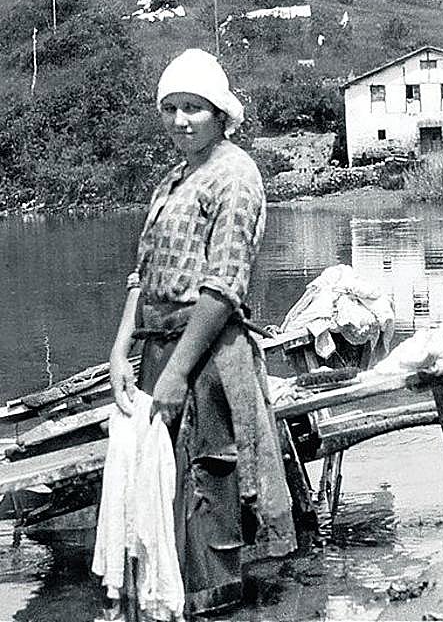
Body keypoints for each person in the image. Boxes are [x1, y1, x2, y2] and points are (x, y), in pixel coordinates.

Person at [107, 48, 295, 617]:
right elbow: (141, 274)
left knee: (210, 496)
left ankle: (222, 607)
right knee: (160, 500)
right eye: (171, 108)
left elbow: (222, 287)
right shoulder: (174, 177)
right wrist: (120, 348)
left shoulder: (235, 175)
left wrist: (180, 373)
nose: (181, 120)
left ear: (220, 113)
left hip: (206, 356)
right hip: (157, 351)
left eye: (193, 108)